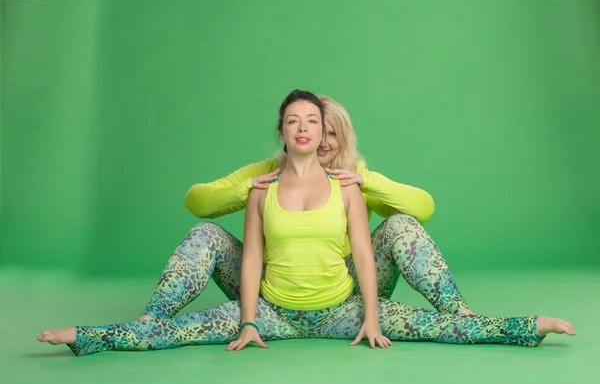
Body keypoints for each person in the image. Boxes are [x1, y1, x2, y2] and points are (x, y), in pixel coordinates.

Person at [37, 90, 576, 355]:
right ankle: (122, 329)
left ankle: (505, 324)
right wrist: (248, 318)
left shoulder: (351, 181)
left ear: (329, 136)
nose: (316, 137)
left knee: (423, 285)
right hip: (271, 302)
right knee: (181, 320)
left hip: (344, 299)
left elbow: (395, 230)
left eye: (322, 128)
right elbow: (212, 217)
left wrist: (371, 313)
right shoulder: (262, 182)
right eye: (297, 123)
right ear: (284, 130)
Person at [136, 94, 471, 326]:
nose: (322, 140)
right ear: (291, 132)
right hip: (275, 284)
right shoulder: (267, 171)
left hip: (347, 287)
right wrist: (246, 189)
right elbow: (196, 201)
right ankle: (153, 318)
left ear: (345, 137)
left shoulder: (355, 178)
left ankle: (458, 313)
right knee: (205, 234)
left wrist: (366, 183)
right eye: (312, 128)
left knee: (401, 224)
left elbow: (423, 208)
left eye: (331, 133)